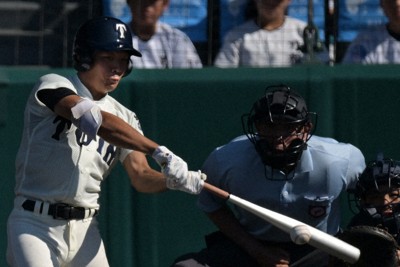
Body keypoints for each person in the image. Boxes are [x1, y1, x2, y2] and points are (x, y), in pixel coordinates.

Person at [6, 16, 206, 267]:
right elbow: (91, 117)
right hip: (35, 222)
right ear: (85, 56)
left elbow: (141, 175)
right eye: (108, 58)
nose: (117, 68)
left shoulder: (126, 117)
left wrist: (172, 180)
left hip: (86, 228)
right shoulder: (54, 84)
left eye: (123, 60)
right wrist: (158, 151)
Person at [172, 85, 365, 267]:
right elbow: (211, 204)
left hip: (321, 250)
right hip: (251, 245)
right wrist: (255, 249)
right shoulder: (226, 160)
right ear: (257, 127)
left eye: (288, 127)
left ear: (306, 130)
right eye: (269, 127)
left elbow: (374, 197)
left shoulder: (340, 161)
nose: (278, 138)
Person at [214, 0, 324, 67]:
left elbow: (323, 67)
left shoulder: (304, 31)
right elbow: (221, 75)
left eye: (276, 0)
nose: (270, 2)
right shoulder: (236, 36)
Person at [334, 154, 400, 266]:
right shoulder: (358, 227)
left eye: (393, 195)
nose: (385, 202)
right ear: (363, 201)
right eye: (375, 196)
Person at [126, 0, 203, 68]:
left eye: (152, 1)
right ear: (129, 2)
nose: (146, 7)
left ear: (165, 4)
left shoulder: (177, 39)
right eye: (140, 1)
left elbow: (190, 78)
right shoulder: (118, 37)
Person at [341, 0, 400, 64]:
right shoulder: (366, 40)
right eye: (391, 0)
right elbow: (349, 72)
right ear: (382, 4)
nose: (397, 3)